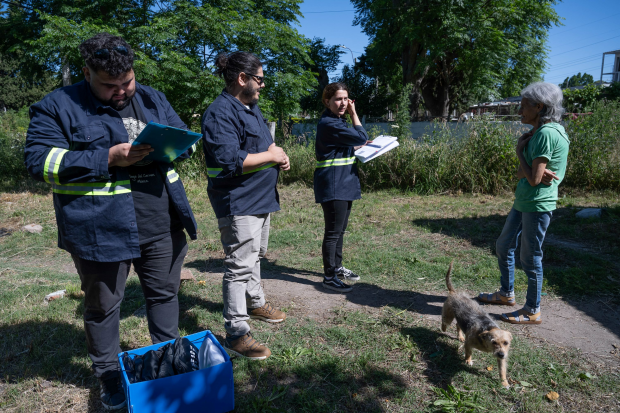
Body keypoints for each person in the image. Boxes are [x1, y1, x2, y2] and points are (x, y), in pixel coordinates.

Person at [24, 33, 198, 410]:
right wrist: (107, 158)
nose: (122, 92)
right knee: (103, 307)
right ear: (87, 73)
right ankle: (108, 374)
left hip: (161, 222)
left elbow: (186, 137)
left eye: (128, 82)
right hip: (99, 229)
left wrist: (179, 145)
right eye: (109, 86)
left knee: (165, 295)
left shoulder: (152, 97)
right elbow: (40, 162)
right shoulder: (58, 106)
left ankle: (167, 362)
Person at [201, 51, 290, 360]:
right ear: (242, 79)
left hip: (260, 198)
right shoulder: (219, 113)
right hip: (239, 201)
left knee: (255, 256)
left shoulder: (251, 107)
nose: (262, 85)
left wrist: (278, 155)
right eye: (260, 79)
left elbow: (266, 145)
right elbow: (228, 160)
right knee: (239, 266)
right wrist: (271, 157)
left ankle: (255, 302)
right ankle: (237, 333)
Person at [478, 82, 569, 325]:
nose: (519, 111)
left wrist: (520, 151)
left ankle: (532, 310)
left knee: (530, 258)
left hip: (537, 205)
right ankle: (507, 294)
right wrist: (532, 172)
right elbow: (523, 174)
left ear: (539, 106)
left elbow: (533, 177)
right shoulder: (540, 132)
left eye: (523, 106)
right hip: (525, 201)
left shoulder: (546, 134)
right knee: (504, 244)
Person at [314, 82, 371, 293]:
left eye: (346, 99)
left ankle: (336, 268)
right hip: (334, 185)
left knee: (340, 231)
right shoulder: (330, 123)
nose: (343, 103)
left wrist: (361, 144)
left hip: (344, 183)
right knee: (333, 232)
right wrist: (354, 113)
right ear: (327, 101)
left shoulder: (337, 122)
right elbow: (361, 136)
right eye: (338, 99)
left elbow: (349, 144)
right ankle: (329, 277)